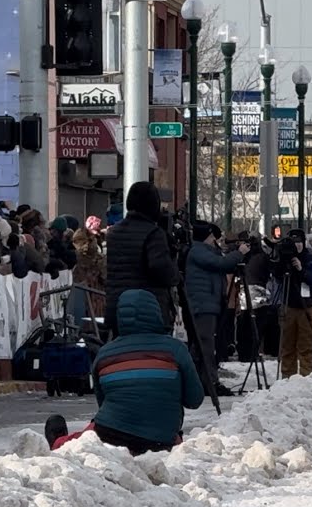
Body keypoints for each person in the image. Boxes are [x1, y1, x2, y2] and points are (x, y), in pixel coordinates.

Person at [46, 289, 204, 455]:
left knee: (83, 442)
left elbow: (103, 402)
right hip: (161, 440)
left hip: (112, 436)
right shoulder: (175, 349)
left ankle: (59, 444)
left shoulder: (105, 354)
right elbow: (195, 399)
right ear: (157, 313)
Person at [104, 181, 181, 333]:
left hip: (118, 307)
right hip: (149, 309)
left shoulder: (114, 233)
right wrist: (175, 273)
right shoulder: (153, 234)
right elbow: (161, 270)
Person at [185, 222, 246, 395]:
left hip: (207, 303)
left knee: (201, 345)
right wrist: (238, 253)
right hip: (203, 304)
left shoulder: (203, 251)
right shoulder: (198, 252)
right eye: (213, 237)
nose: (215, 241)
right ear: (207, 236)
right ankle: (210, 382)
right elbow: (221, 264)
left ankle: (199, 381)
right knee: (205, 344)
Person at [274, 228, 312, 378]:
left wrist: (301, 270)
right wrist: (281, 262)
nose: (297, 246)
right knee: (287, 345)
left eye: (299, 242)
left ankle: (306, 377)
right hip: (288, 305)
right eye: (294, 243)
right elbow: (277, 278)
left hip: (308, 306)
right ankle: (287, 377)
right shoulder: (283, 258)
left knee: (306, 345)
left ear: (304, 243)